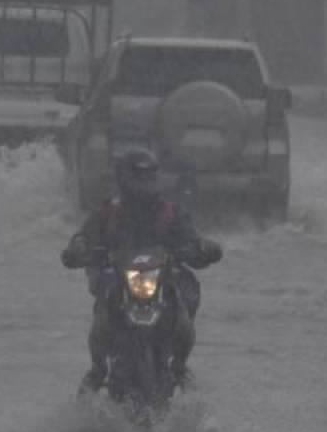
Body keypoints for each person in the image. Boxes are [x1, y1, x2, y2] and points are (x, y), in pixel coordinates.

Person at [61, 146, 222, 393]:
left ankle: (179, 365)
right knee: (103, 312)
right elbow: (85, 236)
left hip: (161, 284)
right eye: (139, 176)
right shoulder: (109, 212)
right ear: (123, 178)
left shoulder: (170, 212)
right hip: (118, 283)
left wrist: (201, 248)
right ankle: (98, 369)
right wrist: (79, 249)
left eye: (149, 177)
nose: (144, 184)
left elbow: (191, 239)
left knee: (182, 303)